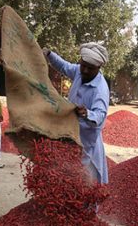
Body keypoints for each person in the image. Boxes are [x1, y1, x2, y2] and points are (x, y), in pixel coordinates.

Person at [43, 42, 109, 184]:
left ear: (99, 68)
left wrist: (87, 113)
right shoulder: (79, 72)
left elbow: (100, 115)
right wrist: (49, 54)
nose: (84, 70)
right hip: (69, 134)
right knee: (65, 176)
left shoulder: (100, 90)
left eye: (89, 68)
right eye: (83, 65)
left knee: (86, 182)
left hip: (86, 141)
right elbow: (64, 66)